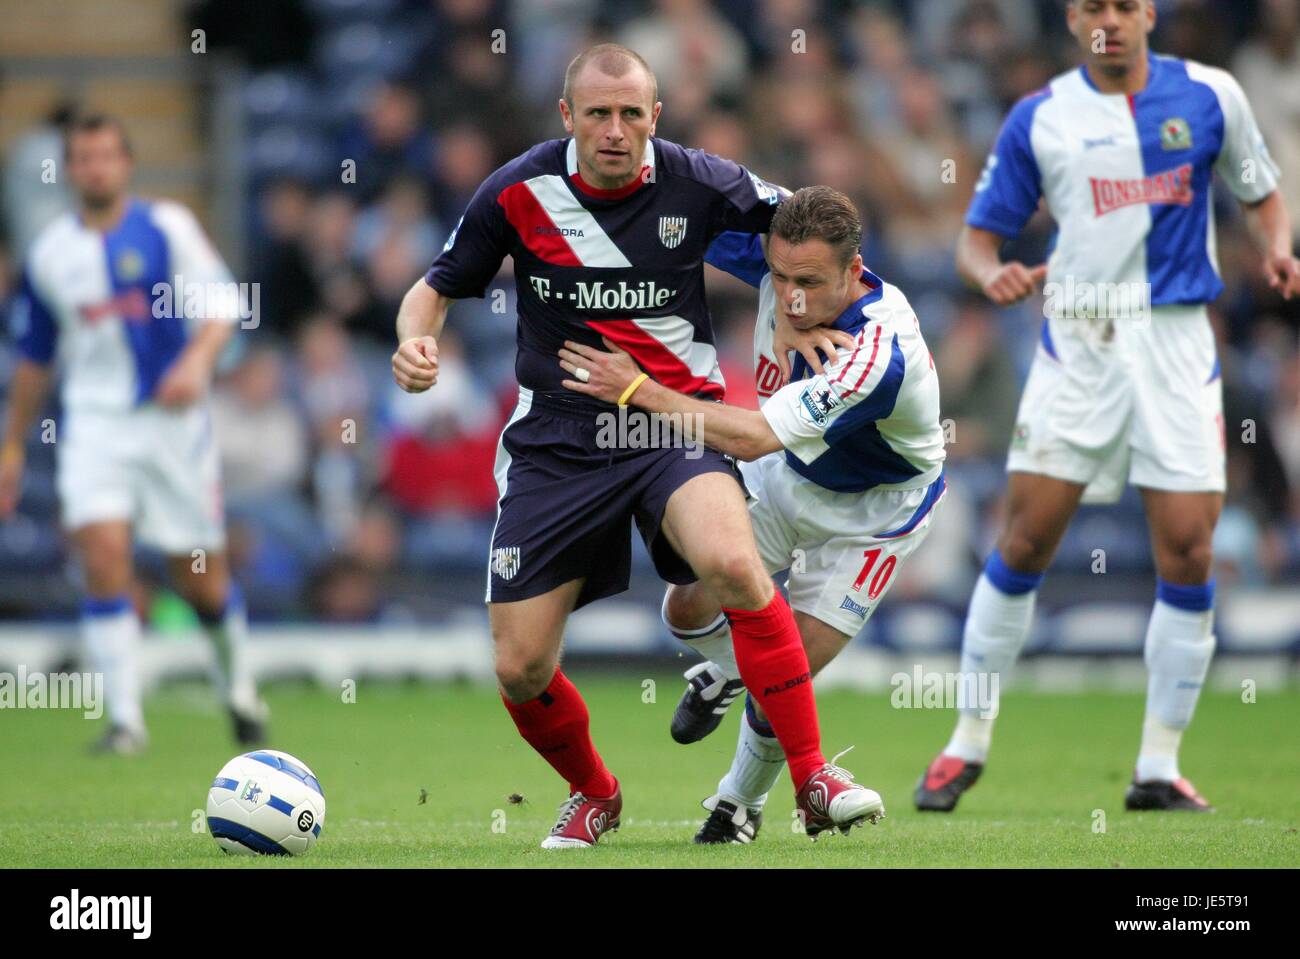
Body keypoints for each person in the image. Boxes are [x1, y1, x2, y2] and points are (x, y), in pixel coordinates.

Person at [391, 44, 879, 848]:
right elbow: (434, 288)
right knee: (520, 667)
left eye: (631, 114)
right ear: (567, 117)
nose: (615, 130)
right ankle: (596, 792)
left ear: (656, 115)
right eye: (597, 114)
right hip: (556, 440)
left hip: (672, 426)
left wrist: (810, 309)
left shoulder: (701, 180)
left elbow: (809, 230)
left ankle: (813, 777)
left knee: (733, 563)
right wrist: (416, 343)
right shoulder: (517, 191)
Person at [915, 0, 1300, 813]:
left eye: (1124, 4)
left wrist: (1275, 247)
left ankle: (1158, 763)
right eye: (1094, 6)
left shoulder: (1211, 95)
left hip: (1175, 343)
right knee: (1025, 537)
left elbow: (1261, 191)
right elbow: (977, 240)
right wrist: (994, 277)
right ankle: (966, 741)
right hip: (1081, 343)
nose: (1110, 21)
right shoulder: (1041, 117)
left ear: (1148, 13)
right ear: (1071, 19)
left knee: (1190, 550)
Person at [558, 186, 946, 843]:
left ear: (856, 273)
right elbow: (677, 203)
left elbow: (749, 437)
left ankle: (736, 806)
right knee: (685, 611)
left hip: (872, 515)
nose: (791, 296)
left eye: (810, 284)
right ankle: (730, 671)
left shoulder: (877, 355)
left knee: (783, 676)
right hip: (787, 473)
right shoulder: (784, 243)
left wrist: (637, 388)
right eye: (782, 278)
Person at [0, 114, 268, 754]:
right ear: (69, 171)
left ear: (126, 164)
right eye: (83, 158)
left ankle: (240, 691)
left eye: (105, 156)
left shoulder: (167, 227)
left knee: (198, 576)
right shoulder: (49, 254)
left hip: (171, 426)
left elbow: (225, 307)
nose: (95, 168)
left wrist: (195, 364)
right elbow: (34, 358)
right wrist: (11, 442)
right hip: (94, 425)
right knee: (103, 555)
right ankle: (125, 721)